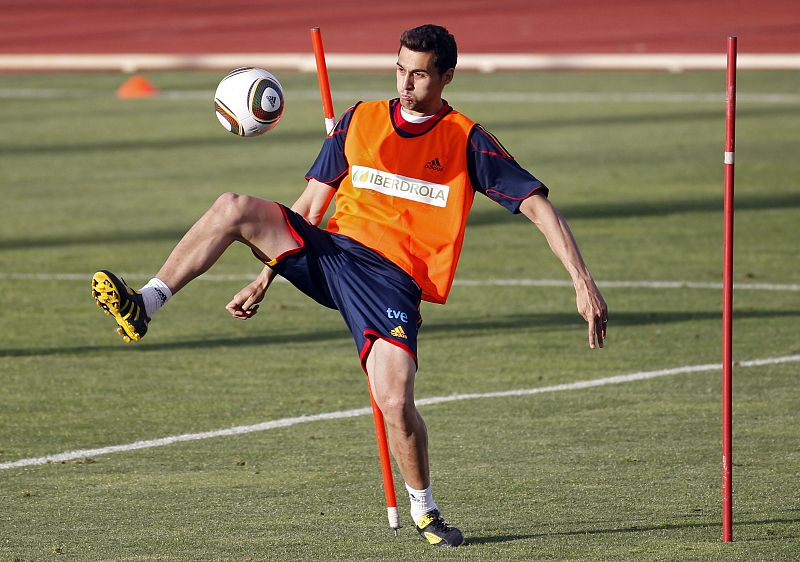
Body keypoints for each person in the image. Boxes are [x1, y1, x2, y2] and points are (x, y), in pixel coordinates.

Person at [91, 24, 608, 548]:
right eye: (400, 69)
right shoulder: (358, 119)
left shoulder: (466, 139)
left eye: (420, 74)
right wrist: (266, 274)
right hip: (331, 254)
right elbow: (312, 205)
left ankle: (425, 512)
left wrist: (582, 282)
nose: (406, 83)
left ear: (447, 77)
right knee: (233, 208)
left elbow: (538, 207)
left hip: (392, 283)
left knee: (395, 401)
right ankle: (147, 302)